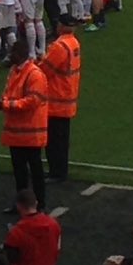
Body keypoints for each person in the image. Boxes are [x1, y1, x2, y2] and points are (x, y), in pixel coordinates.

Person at [0, 39, 49, 212]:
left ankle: (39, 204)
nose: (11, 56)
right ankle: (22, 204)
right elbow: (9, 93)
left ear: (21, 54)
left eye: (13, 53)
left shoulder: (34, 74)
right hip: (17, 133)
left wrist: (7, 105)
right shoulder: (15, 71)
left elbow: (32, 102)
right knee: (19, 173)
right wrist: (3, 102)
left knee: (35, 171)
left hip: (30, 134)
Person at [3, 188, 61, 265]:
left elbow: (10, 264)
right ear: (36, 203)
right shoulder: (54, 225)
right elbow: (56, 251)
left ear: (18, 206)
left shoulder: (16, 233)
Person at [40, 16, 81, 182]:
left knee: (54, 141)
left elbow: (45, 70)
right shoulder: (73, 43)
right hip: (67, 97)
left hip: (56, 101)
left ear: (60, 26)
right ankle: (60, 170)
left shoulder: (60, 46)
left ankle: (56, 172)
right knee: (62, 140)